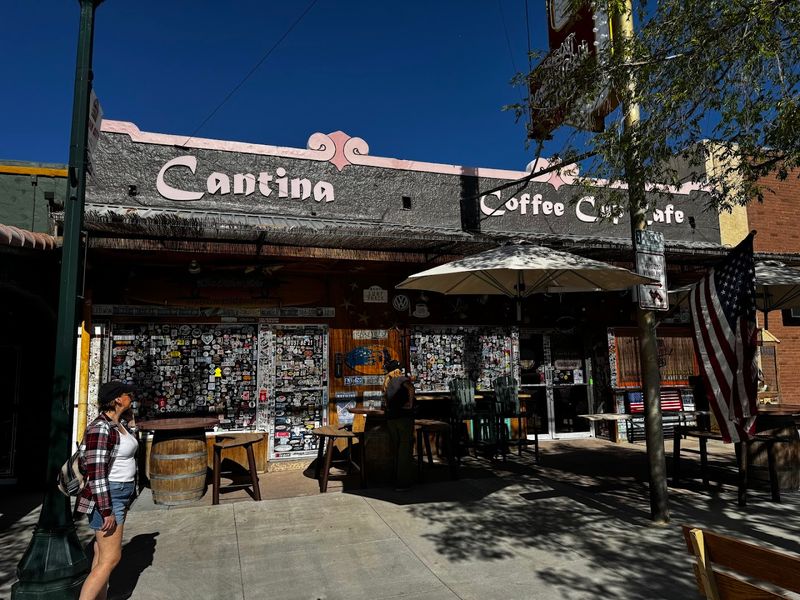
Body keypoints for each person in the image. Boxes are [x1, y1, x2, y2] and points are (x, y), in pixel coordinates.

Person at [77, 381, 138, 600]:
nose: (131, 396)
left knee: (101, 555)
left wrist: (129, 421)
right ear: (117, 399)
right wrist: (106, 510)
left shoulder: (119, 424)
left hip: (120, 493)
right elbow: (96, 473)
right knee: (111, 558)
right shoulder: (100, 427)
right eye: (127, 394)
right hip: (109, 495)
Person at [383, 359, 415, 491]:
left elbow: (385, 402)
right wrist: (410, 403)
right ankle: (403, 483)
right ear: (397, 370)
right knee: (405, 450)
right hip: (403, 417)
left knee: (396, 448)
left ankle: (395, 479)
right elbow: (411, 388)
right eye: (400, 369)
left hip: (391, 419)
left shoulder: (387, 383)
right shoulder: (401, 379)